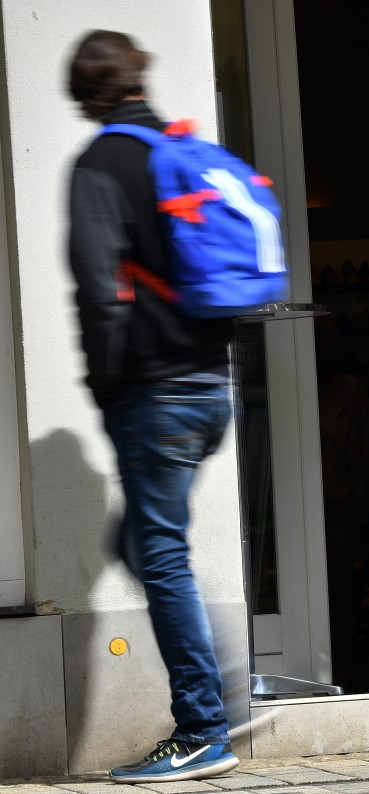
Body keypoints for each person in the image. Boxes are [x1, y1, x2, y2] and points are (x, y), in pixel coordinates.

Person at [66, 30, 239, 782]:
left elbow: (102, 295)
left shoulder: (101, 165)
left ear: (85, 95)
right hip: (209, 388)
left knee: (157, 554)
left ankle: (204, 724)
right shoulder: (182, 152)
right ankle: (218, 683)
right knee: (140, 545)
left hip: (156, 396)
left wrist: (107, 389)